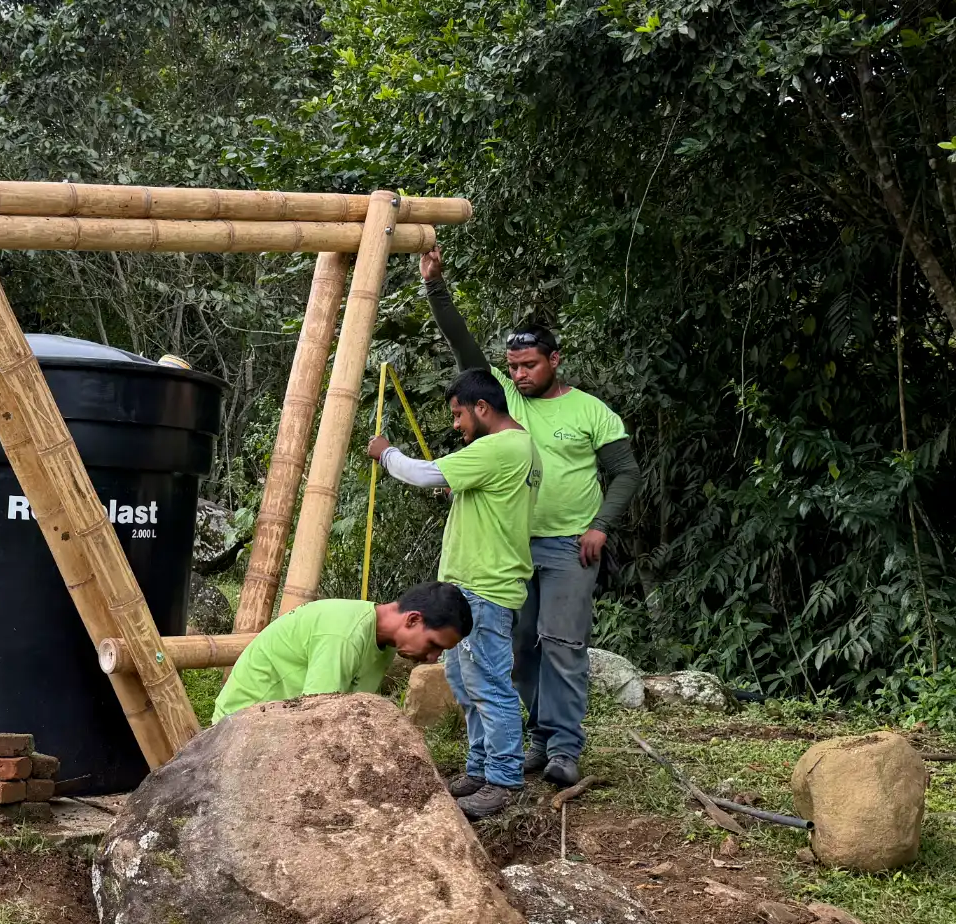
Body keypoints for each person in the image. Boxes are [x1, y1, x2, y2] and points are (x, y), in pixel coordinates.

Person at [418, 249, 639, 790]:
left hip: (569, 545)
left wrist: (601, 525)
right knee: (519, 646)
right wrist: (436, 287)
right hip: (511, 548)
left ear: (555, 360)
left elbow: (626, 473)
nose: (518, 374)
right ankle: (534, 742)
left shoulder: (591, 411)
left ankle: (563, 746)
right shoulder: (504, 400)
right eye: (512, 367)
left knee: (563, 644)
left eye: (528, 366)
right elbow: (462, 347)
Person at [367, 369, 539, 820]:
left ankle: (502, 780)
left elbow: (423, 474)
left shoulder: (501, 446)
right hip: (473, 588)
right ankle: (480, 770)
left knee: (489, 686)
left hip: (485, 587)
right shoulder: (516, 449)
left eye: (459, 414)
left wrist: (386, 454)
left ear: (482, 408)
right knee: (466, 684)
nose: (458, 425)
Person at [209, 581, 473, 723]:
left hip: (283, 720)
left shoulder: (384, 643)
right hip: (242, 723)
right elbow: (317, 719)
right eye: (433, 645)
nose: (432, 658)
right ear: (413, 620)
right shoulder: (344, 634)